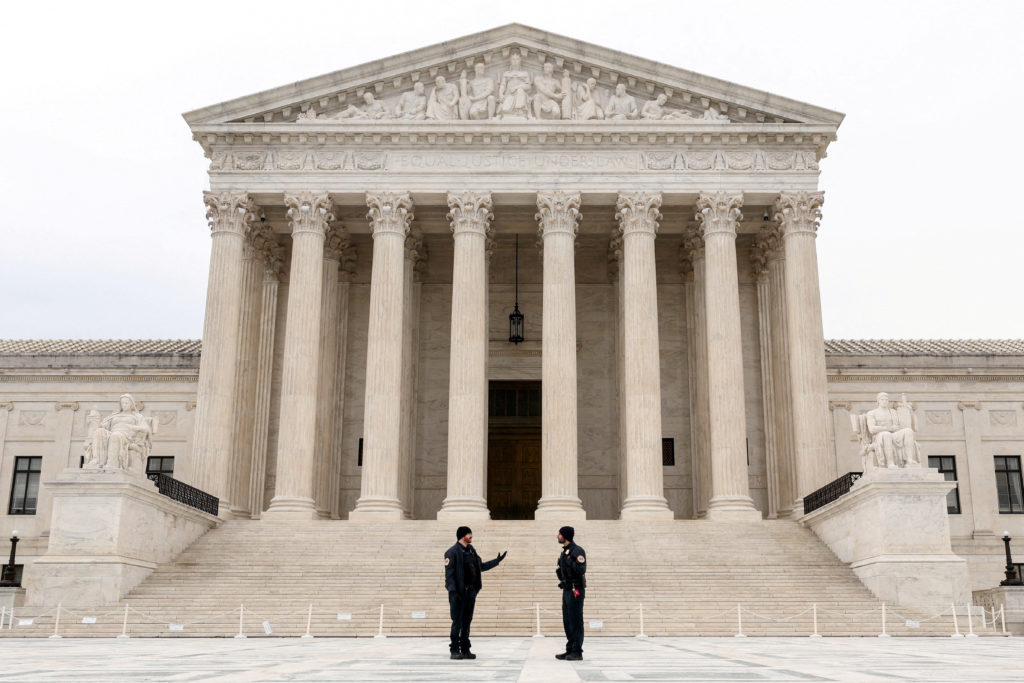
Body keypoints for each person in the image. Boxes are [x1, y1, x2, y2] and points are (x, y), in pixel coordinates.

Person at [444, 526, 507, 660]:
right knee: (457, 622)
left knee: (467, 621)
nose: (471, 535)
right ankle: (454, 649)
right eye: (468, 534)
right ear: (462, 536)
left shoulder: (472, 551)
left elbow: (480, 567)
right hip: (459, 594)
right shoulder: (452, 552)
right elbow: (449, 575)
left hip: (471, 592)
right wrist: (453, 591)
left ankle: (465, 649)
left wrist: (497, 561)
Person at [555, 525, 586, 661]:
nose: (558, 536)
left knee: (576, 621)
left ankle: (577, 651)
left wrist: (570, 561)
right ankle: (570, 649)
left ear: (565, 536)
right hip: (567, 589)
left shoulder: (577, 551)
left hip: (576, 590)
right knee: (567, 621)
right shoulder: (565, 551)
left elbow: (581, 569)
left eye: (560, 534)